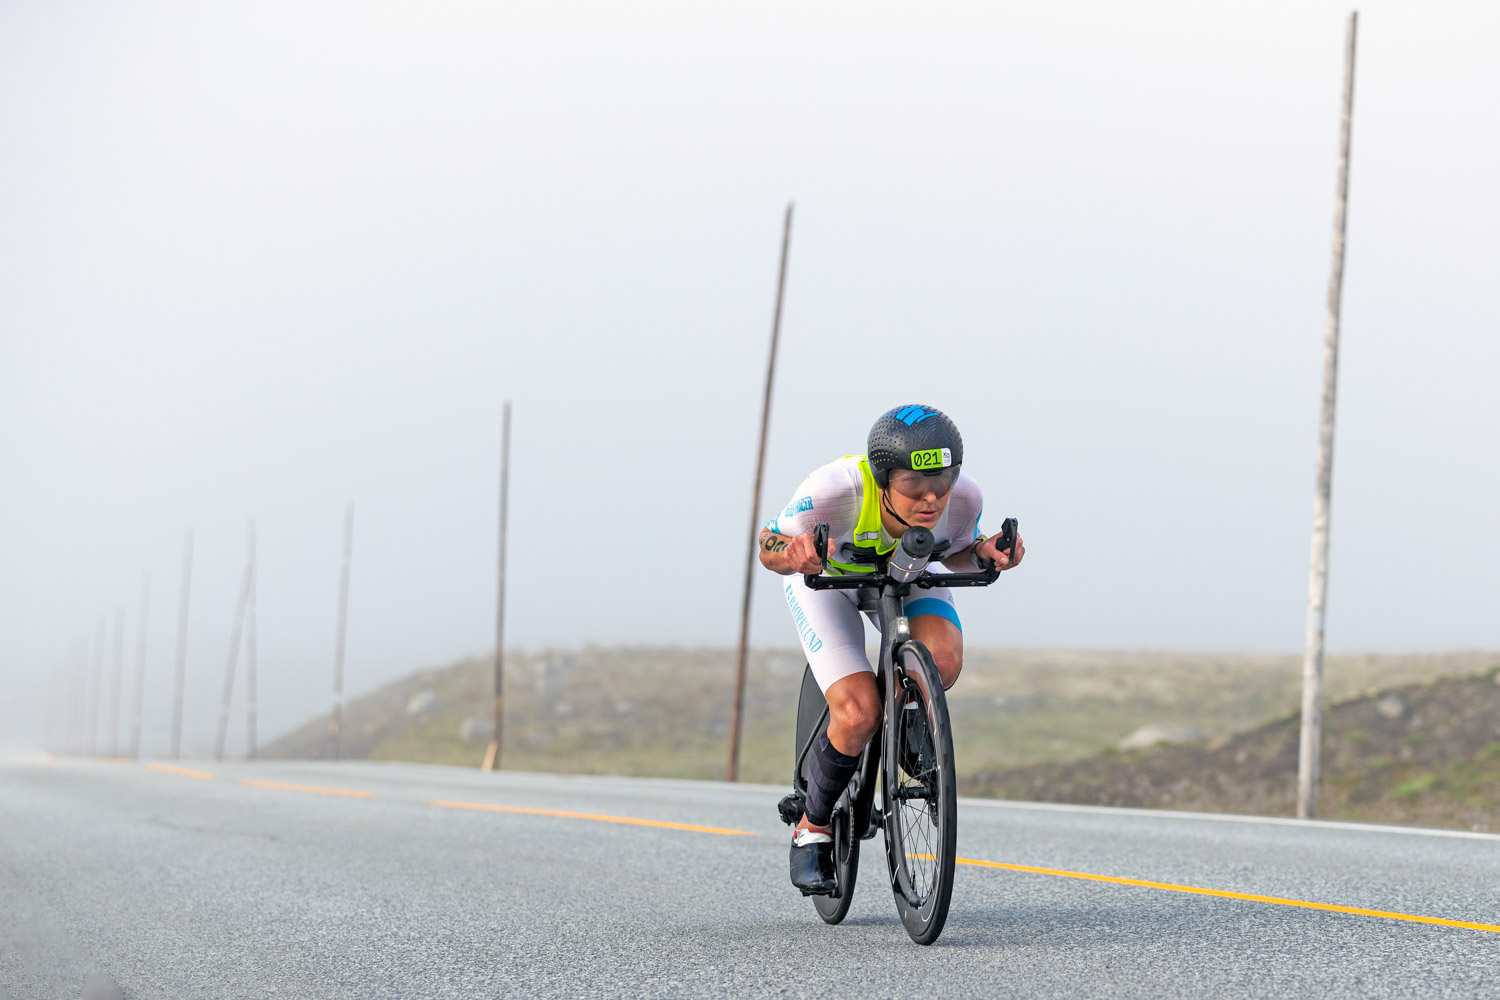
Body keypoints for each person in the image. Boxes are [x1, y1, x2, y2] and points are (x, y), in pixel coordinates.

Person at [757, 404, 1025, 895]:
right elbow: (767, 544)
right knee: (858, 713)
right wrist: (791, 553)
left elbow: (958, 550)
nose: (931, 498)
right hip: (830, 585)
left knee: (941, 662)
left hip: (908, 573)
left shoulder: (965, 498)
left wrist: (985, 553)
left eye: (942, 482)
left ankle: (900, 718)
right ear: (883, 479)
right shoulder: (833, 492)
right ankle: (812, 828)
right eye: (914, 485)